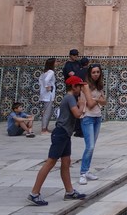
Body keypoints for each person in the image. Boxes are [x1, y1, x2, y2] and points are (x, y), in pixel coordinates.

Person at [27, 75, 88, 205]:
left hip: (65, 134)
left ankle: (69, 192)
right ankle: (34, 193)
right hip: (60, 134)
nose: (81, 89)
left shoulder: (71, 98)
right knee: (50, 162)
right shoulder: (70, 98)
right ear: (73, 86)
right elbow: (77, 114)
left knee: (66, 162)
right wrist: (82, 105)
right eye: (79, 86)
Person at [79, 63, 106, 185]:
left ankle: (87, 170)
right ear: (90, 73)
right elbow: (89, 104)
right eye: (94, 72)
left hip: (97, 117)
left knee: (92, 146)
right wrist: (97, 100)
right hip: (88, 117)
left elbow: (104, 102)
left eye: (98, 72)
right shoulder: (85, 86)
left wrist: (96, 100)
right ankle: (83, 173)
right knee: (89, 146)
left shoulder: (99, 86)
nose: (96, 74)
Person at [38, 58, 56, 134]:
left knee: (47, 111)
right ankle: (44, 129)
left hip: (45, 95)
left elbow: (40, 80)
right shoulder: (51, 72)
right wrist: (47, 87)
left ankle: (45, 128)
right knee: (47, 112)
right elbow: (46, 81)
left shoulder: (45, 72)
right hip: (48, 96)